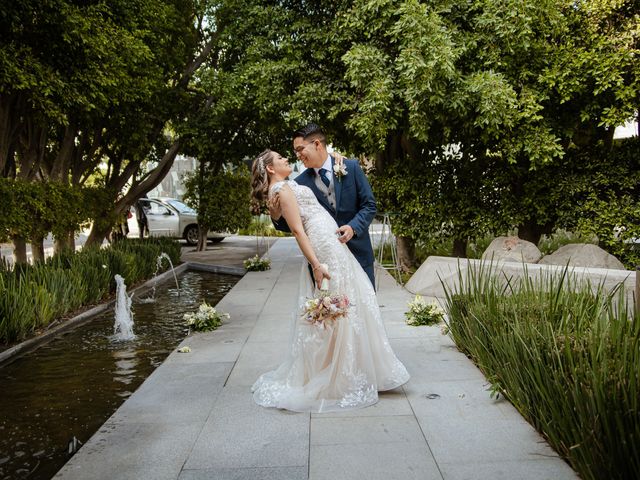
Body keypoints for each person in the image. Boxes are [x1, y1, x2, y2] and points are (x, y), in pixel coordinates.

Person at [250, 149, 409, 413]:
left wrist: (335, 156)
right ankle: (339, 371)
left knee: (352, 297)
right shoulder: (284, 190)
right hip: (323, 246)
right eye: (281, 158)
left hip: (331, 241)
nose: (289, 159)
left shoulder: (287, 185)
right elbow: (298, 231)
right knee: (342, 301)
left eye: (296, 151)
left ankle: (353, 364)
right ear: (269, 168)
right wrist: (316, 265)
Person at [271, 124, 377, 287]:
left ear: (317, 144)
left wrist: (353, 227)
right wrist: (276, 216)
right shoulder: (298, 184)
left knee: (364, 309)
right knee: (331, 311)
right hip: (326, 262)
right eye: (295, 151)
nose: (297, 155)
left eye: (300, 149)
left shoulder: (352, 167)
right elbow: (294, 225)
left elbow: (369, 205)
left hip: (359, 254)